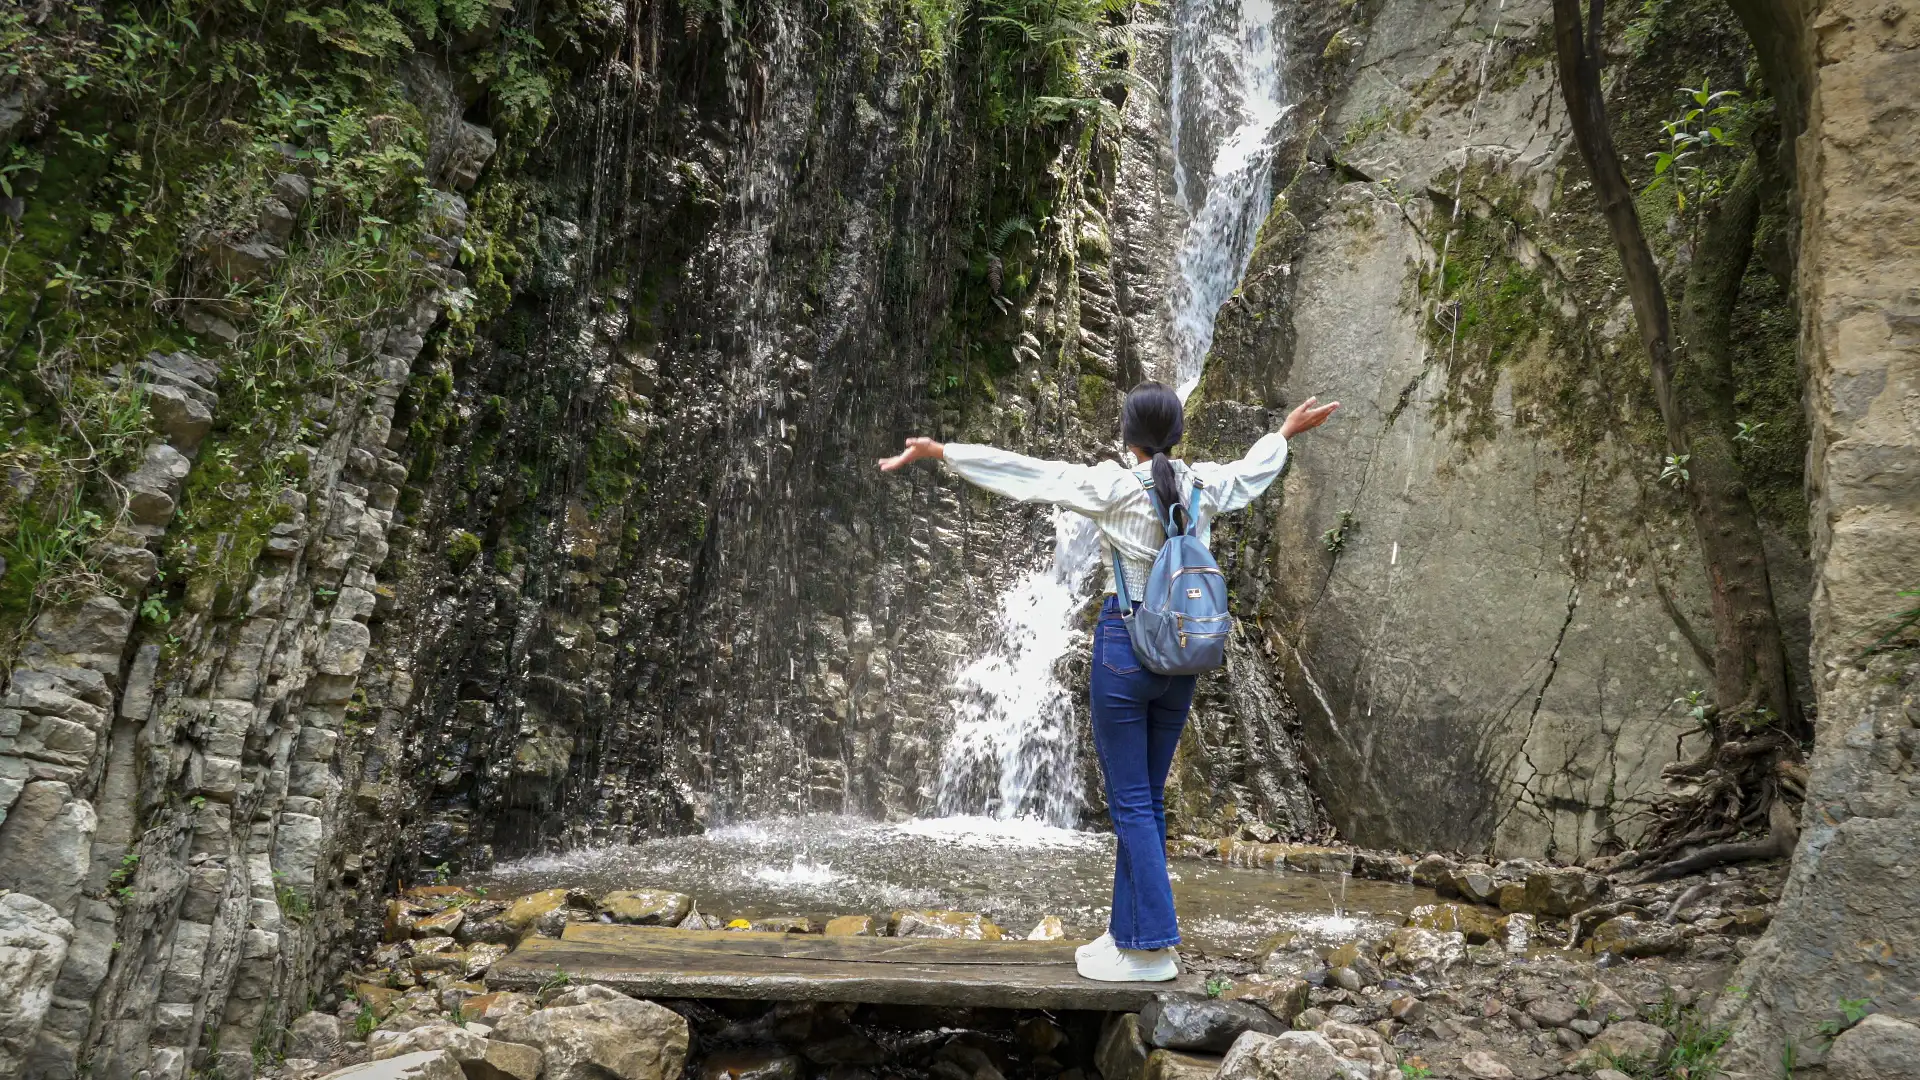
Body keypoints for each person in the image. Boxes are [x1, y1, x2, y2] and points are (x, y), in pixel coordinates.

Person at [878, 381, 1340, 982]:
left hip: (1126, 649)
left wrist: (946, 453)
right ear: (1177, 434)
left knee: (1130, 805)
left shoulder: (1116, 485)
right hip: (1181, 659)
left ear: (1127, 436)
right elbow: (1250, 473)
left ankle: (1155, 944)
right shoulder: (1200, 486)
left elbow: (1035, 475)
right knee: (1144, 803)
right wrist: (1282, 435)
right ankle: (1128, 938)